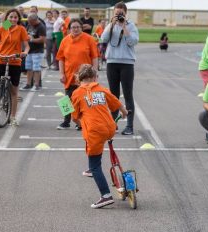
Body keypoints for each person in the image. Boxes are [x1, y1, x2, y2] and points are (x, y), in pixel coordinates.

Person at [71, 64, 128, 208]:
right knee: (96, 141)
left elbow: (74, 117)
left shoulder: (77, 93)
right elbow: (116, 102)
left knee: (95, 163)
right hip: (110, 127)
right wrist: (124, 112)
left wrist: (82, 122)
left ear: (80, 78)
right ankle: (93, 166)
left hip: (95, 131)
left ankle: (106, 195)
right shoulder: (101, 89)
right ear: (94, 77)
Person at [101, 1, 139, 135]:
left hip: (127, 63)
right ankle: (113, 123)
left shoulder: (131, 26)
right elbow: (103, 39)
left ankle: (129, 126)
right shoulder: (110, 26)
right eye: (116, 13)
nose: (119, 15)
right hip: (112, 62)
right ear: (113, 13)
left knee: (128, 95)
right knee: (113, 95)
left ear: (126, 13)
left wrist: (124, 27)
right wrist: (112, 24)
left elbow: (132, 41)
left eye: (121, 13)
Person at [56, 18, 98, 130]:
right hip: (69, 75)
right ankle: (66, 121)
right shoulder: (65, 40)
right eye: (73, 27)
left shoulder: (89, 39)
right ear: (69, 29)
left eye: (78, 27)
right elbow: (61, 59)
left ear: (81, 28)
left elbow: (94, 57)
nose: (75, 29)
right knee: (67, 98)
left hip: (85, 76)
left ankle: (82, 122)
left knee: (84, 100)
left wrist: (94, 72)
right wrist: (61, 74)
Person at [20, 13, 45, 91]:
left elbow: (43, 39)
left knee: (36, 68)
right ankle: (28, 84)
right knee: (28, 68)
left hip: (37, 51)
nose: (29, 23)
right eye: (28, 21)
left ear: (35, 20)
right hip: (29, 50)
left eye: (30, 21)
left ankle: (37, 85)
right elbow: (26, 34)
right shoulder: (30, 25)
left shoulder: (41, 26)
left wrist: (31, 39)